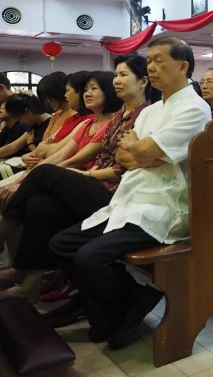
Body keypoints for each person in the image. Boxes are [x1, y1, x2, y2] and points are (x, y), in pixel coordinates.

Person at [48, 38, 211, 349]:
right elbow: (126, 157)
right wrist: (141, 152)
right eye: (149, 60)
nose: (151, 66)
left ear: (183, 66)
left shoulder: (194, 108)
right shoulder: (151, 111)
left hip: (162, 206)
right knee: (61, 244)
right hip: (129, 199)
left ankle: (119, 307)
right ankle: (127, 299)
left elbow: (143, 149)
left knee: (88, 257)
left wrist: (141, 150)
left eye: (159, 60)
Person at [0, 57, 148, 305]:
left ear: (143, 82)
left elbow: (118, 166)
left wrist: (71, 173)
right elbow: (56, 153)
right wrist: (46, 169)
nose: (83, 95)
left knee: (41, 177)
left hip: (111, 190)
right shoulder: (109, 119)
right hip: (90, 182)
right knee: (38, 204)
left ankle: (3, 235)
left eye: (93, 89)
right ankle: (28, 281)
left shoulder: (141, 115)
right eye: (116, 76)